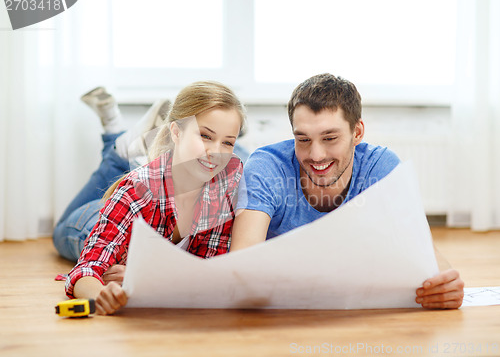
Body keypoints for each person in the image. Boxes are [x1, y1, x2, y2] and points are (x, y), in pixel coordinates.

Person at [230, 73, 464, 309]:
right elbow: (241, 262)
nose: (316, 155)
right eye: (303, 139)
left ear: (358, 133)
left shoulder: (380, 166)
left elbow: (424, 250)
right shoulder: (265, 166)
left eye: (330, 138)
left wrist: (445, 284)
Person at [55, 81, 246, 315]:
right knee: (60, 230)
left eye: (227, 142)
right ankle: (119, 148)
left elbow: (208, 271)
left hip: (161, 181)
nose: (216, 152)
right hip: (90, 219)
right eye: (205, 136)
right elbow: (88, 267)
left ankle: (125, 147)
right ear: (176, 132)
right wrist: (102, 295)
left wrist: (147, 276)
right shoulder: (135, 191)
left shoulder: (224, 194)